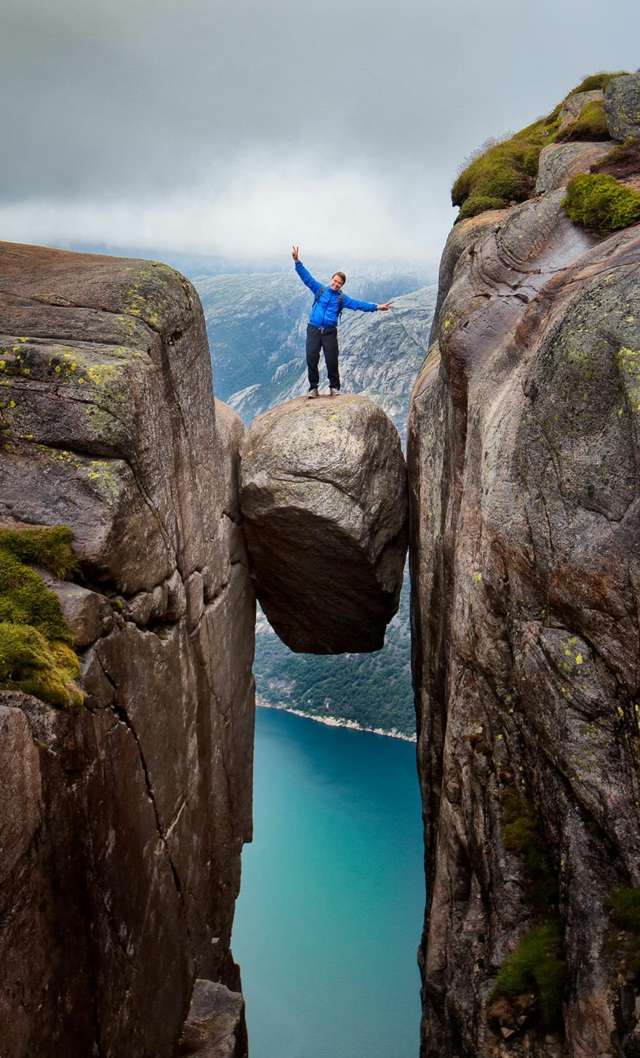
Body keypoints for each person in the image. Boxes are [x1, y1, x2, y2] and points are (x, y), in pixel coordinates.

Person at [292, 245, 393, 398]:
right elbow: (307, 278)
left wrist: (377, 307)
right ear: (331, 280)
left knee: (331, 359)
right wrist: (297, 261)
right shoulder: (319, 290)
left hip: (329, 332)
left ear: (342, 285)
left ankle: (334, 387)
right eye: (335, 281)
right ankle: (313, 388)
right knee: (311, 358)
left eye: (339, 283)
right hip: (313, 329)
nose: (336, 284)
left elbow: (358, 304)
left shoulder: (342, 298)